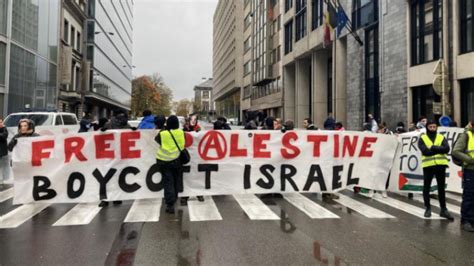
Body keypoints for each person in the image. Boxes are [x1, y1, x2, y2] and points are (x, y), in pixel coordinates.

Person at [418, 120, 454, 220]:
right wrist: (439, 150)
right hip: (428, 165)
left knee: (441, 188)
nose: (433, 129)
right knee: (427, 187)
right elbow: (425, 152)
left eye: (434, 127)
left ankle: (443, 209)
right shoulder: (422, 138)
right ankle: (427, 208)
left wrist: (433, 147)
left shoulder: (441, 137)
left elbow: (446, 149)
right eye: (431, 127)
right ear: (427, 128)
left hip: (440, 165)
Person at [99, 110, 133, 207]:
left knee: (112, 177)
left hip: (114, 155)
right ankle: (110, 198)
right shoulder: (122, 125)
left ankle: (109, 199)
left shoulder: (111, 124)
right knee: (113, 177)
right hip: (115, 155)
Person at [155, 115, 185, 214]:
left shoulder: (163, 133)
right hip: (176, 161)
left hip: (163, 161)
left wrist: (165, 129)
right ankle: (174, 198)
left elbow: (157, 140)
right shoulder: (181, 132)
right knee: (176, 181)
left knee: (168, 182)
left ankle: (170, 204)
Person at [452, 117, 474, 232]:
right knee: (469, 195)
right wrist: (469, 160)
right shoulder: (466, 135)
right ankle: (466, 220)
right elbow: (455, 151)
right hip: (470, 170)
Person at [0, 118, 8, 187]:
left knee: (3, 166)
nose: (1, 123)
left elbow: (4, 136)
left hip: (2, 152)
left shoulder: (4, 129)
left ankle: (2, 179)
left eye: (1, 122)